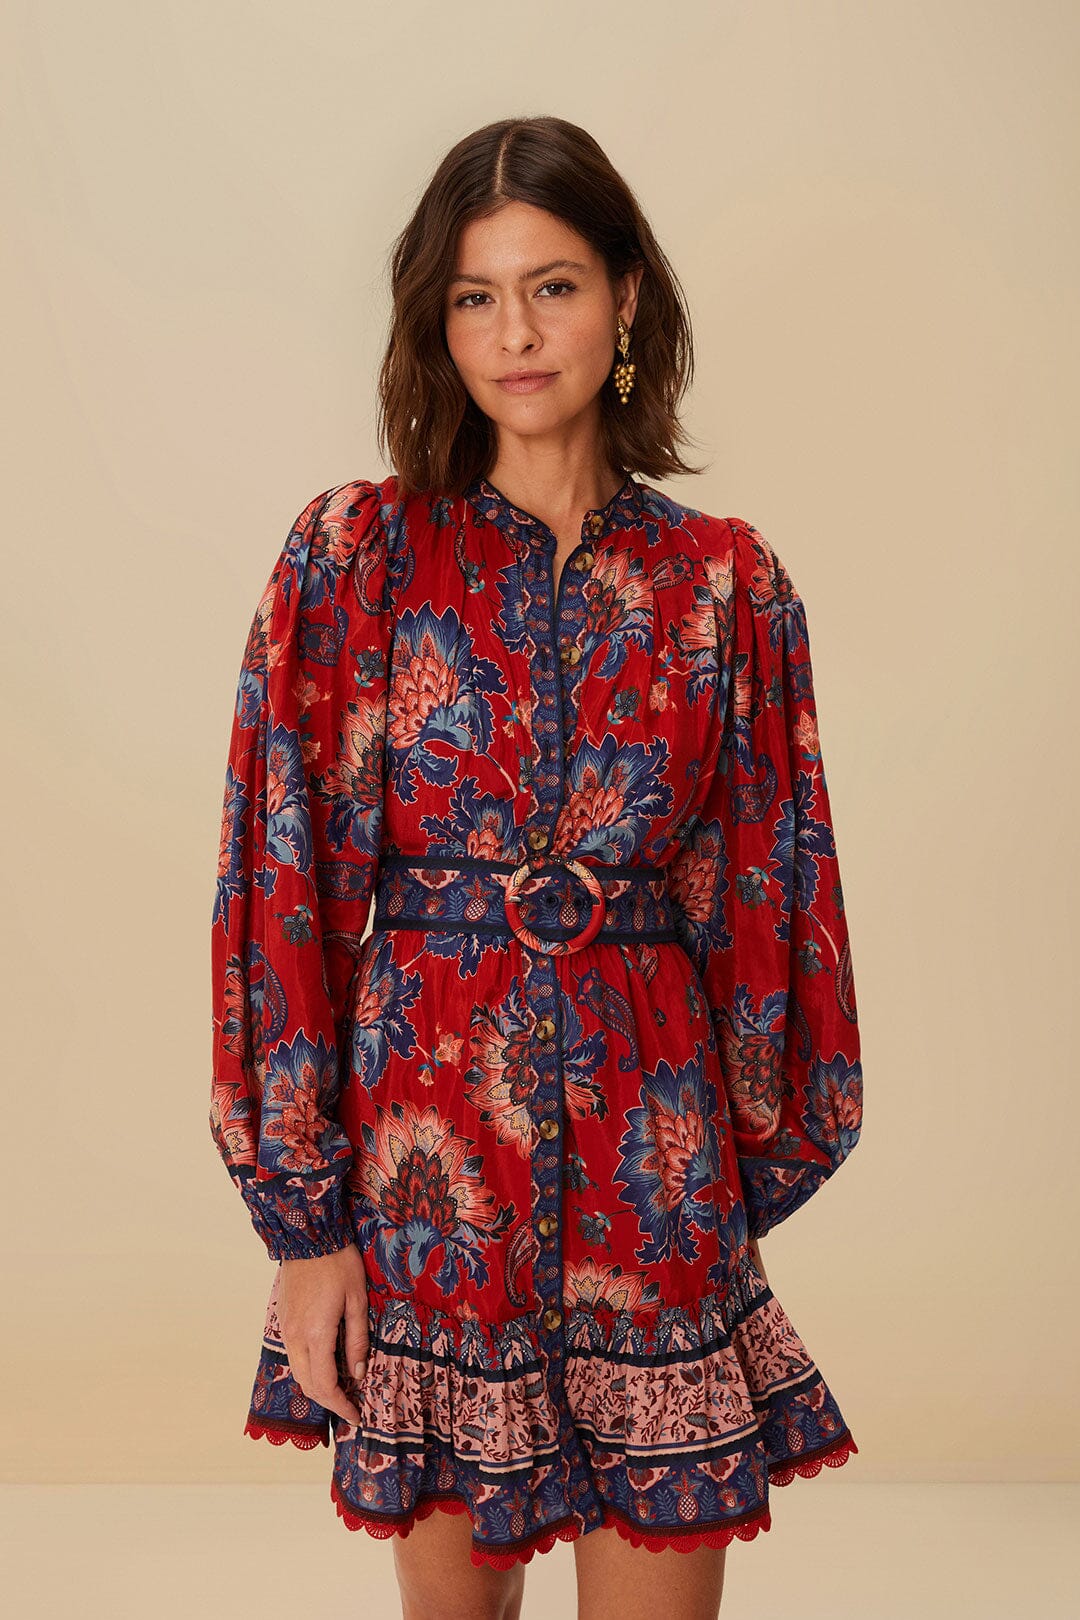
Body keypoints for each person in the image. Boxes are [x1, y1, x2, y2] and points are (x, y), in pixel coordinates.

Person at [209, 115, 863, 1620]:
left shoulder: (724, 585)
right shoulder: (355, 559)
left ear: (626, 298)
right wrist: (306, 1224)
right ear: (435, 324)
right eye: (474, 296)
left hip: (657, 1174)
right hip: (426, 1185)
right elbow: (279, 891)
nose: (515, 334)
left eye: (553, 287)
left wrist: (732, 1176)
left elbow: (775, 898)